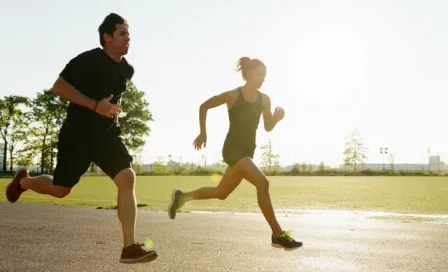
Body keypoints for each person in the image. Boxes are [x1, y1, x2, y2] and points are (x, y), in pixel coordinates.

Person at [5, 13, 157, 264]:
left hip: (107, 135)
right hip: (78, 134)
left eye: (129, 34)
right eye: (122, 33)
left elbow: (112, 101)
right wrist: (94, 106)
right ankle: (24, 182)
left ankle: (129, 247)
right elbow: (59, 87)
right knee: (61, 189)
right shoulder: (87, 60)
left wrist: (109, 113)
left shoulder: (126, 69)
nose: (128, 38)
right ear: (107, 37)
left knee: (127, 176)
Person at [167, 57, 303, 250]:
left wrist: (276, 119)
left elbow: (267, 126)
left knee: (221, 192)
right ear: (248, 73)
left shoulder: (265, 100)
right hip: (232, 150)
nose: (263, 78)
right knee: (263, 183)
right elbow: (204, 106)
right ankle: (277, 234)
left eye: (265, 75)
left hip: (248, 152)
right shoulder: (233, 95)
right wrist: (203, 132)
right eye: (260, 74)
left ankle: (181, 197)